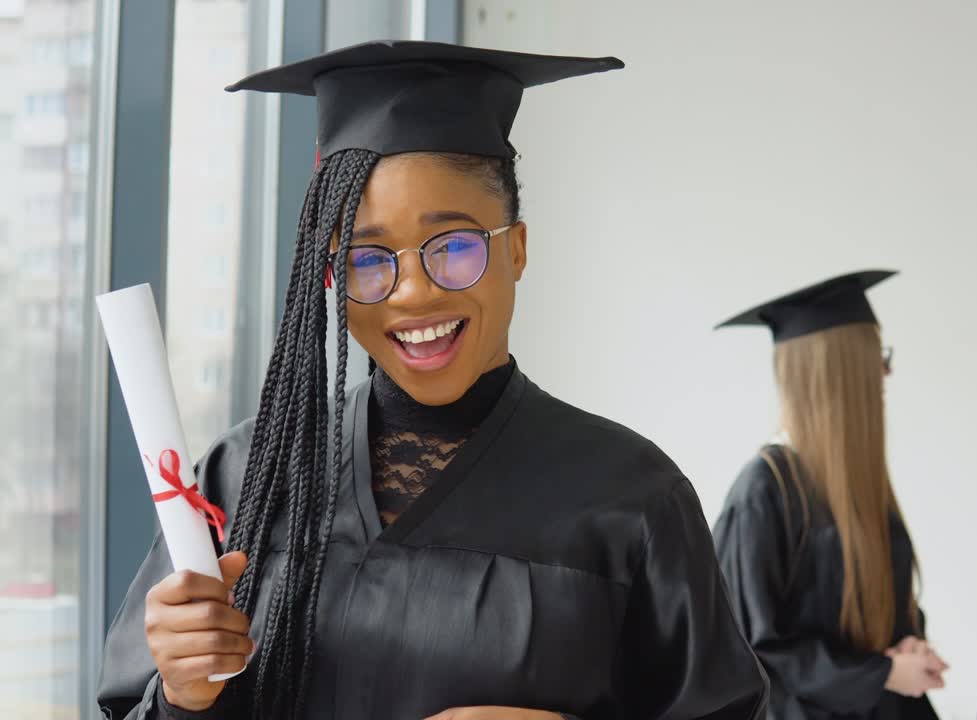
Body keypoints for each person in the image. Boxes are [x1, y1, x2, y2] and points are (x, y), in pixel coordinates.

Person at [98, 41, 767, 720]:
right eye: (368, 257)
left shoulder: (632, 499)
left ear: (517, 249)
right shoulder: (244, 481)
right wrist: (182, 698)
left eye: (454, 247)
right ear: (331, 275)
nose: (413, 294)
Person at [712, 271, 945, 719]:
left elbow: (880, 609)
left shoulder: (858, 486)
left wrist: (907, 644)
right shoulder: (765, 492)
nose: (886, 371)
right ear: (840, 373)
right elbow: (749, 653)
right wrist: (882, 674)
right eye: (876, 356)